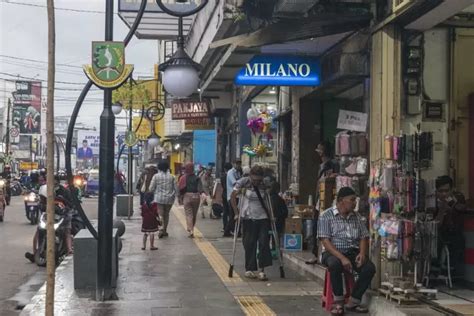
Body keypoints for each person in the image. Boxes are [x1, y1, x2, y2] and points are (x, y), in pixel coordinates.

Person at [317, 187, 375, 315]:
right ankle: (338, 301)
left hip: (351, 251)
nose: (355, 203)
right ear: (341, 200)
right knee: (334, 264)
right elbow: (325, 242)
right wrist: (342, 258)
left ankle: (353, 301)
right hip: (332, 252)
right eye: (352, 200)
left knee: (369, 268)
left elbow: (363, 237)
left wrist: (362, 253)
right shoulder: (326, 216)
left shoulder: (357, 217)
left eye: (355, 200)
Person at [231, 165, 272, 281]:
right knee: (249, 243)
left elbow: (271, 193)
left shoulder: (265, 183)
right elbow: (232, 196)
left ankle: (262, 270)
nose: (256, 182)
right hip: (248, 217)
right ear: (250, 176)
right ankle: (249, 269)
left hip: (263, 217)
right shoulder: (243, 182)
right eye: (254, 180)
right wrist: (236, 212)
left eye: (258, 180)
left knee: (264, 243)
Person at [307, 141, 339, 265]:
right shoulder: (322, 165)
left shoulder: (332, 164)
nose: (318, 151)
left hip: (327, 201)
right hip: (319, 201)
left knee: (323, 228)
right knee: (316, 228)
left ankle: (322, 254)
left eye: (320, 149)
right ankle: (316, 254)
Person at [433, 175, 466, 272]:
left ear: (452, 190)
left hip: (454, 232)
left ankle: (453, 267)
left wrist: (453, 205)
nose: (444, 194)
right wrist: (442, 210)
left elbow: (463, 208)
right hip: (440, 232)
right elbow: (437, 225)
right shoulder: (433, 203)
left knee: (459, 239)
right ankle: (435, 266)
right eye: (441, 191)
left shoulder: (458, 197)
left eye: (447, 191)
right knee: (436, 237)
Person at [148, 162, 177, 238]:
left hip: (159, 198)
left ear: (159, 168)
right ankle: (164, 230)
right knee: (166, 214)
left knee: (160, 214)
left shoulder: (156, 176)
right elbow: (176, 188)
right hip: (169, 199)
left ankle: (160, 229)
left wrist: (154, 191)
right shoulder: (172, 176)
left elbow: (151, 188)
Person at [178, 162, 203, 238]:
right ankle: (192, 229)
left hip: (187, 196)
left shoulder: (183, 178)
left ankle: (190, 230)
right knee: (194, 215)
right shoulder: (197, 178)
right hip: (196, 196)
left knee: (189, 214)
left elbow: (179, 188)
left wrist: (179, 198)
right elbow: (200, 189)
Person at [224, 159, 242, 236]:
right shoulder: (230, 172)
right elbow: (235, 183)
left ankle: (236, 231)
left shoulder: (239, 172)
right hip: (232, 197)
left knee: (236, 214)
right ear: (233, 164)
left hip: (238, 196)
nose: (238, 165)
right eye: (237, 163)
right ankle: (227, 231)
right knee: (233, 215)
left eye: (239, 164)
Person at [221, 163, 233, 236]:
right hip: (229, 195)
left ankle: (225, 227)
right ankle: (229, 228)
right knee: (231, 213)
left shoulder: (223, 176)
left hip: (224, 195)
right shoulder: (230, 176)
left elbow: (223, 186)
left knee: (225, 212)